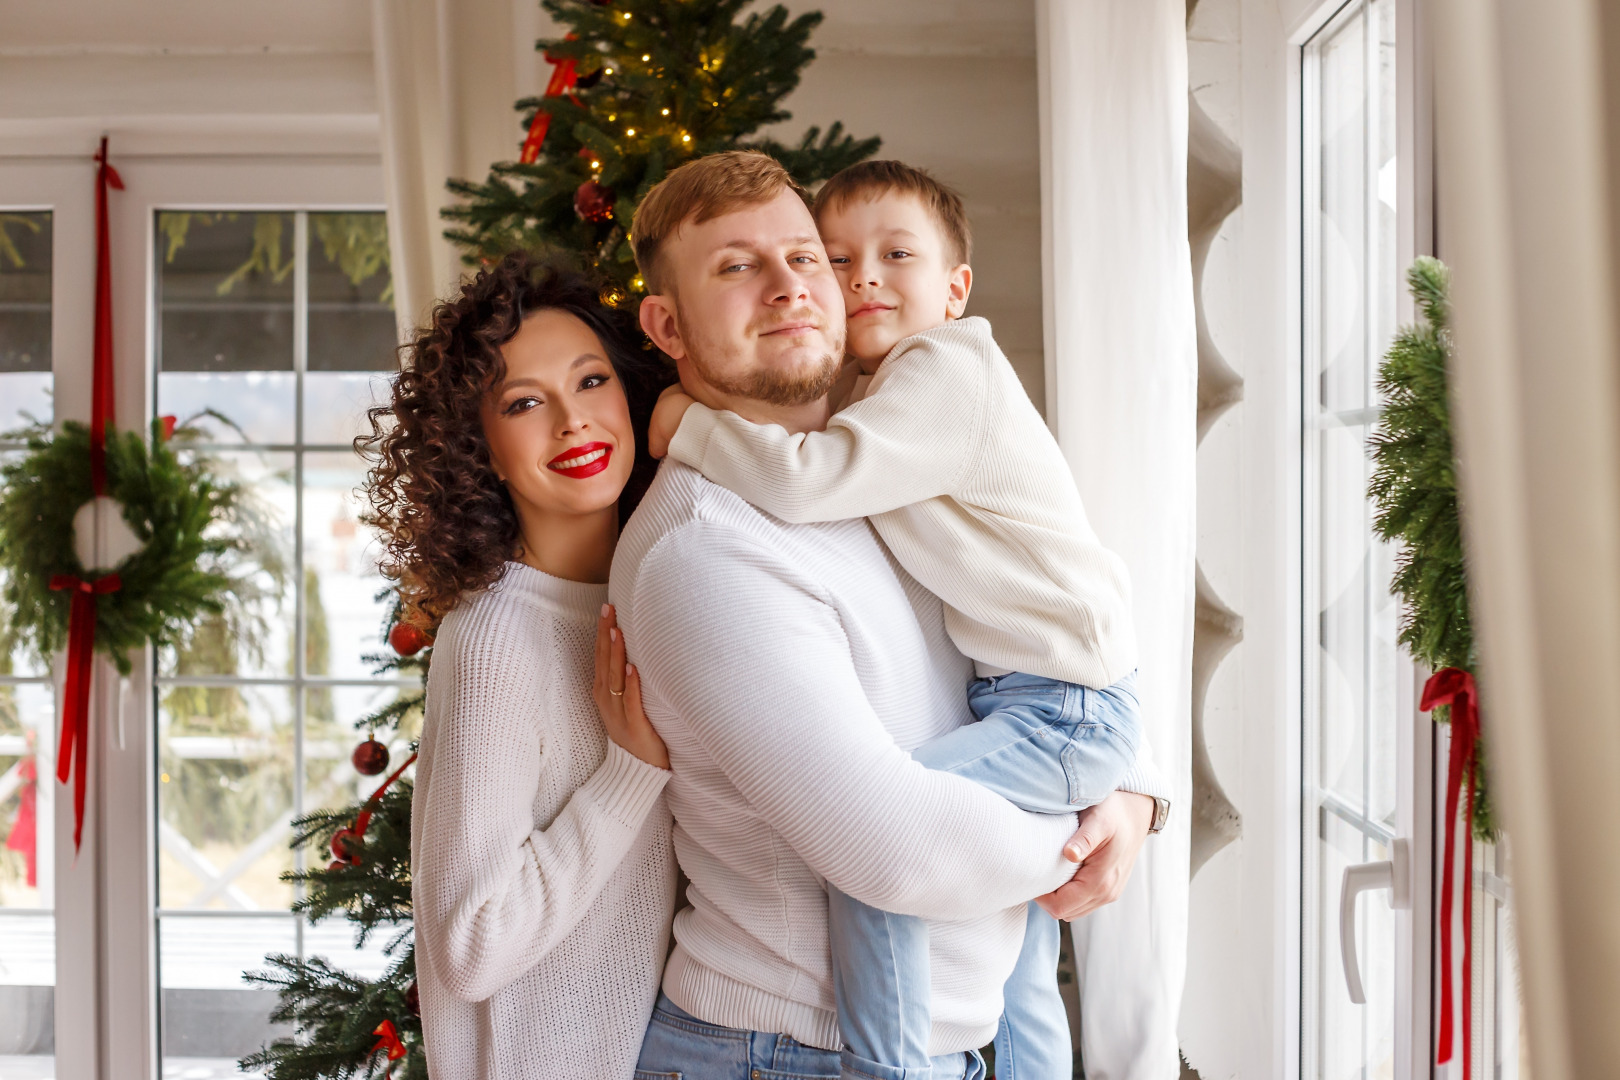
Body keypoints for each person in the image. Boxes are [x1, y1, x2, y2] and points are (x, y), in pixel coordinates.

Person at [612, 150, 1170, 1080]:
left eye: (805, 257)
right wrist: (1084, 833)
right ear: (667, 323)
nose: (795, 286)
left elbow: (1053, 603)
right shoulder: (705, 548)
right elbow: (897, 853)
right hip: (788, 1054)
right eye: (738, 266)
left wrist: (1134, 791)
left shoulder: (875, 472)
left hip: (931, 1041)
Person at [360, 254, 678, 1080]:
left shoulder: (661, 591)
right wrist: (629, 774)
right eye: (525, 403)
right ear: (483, 451)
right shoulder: (496, 639)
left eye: (591, 382)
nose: (573, 423)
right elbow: (470, 945)